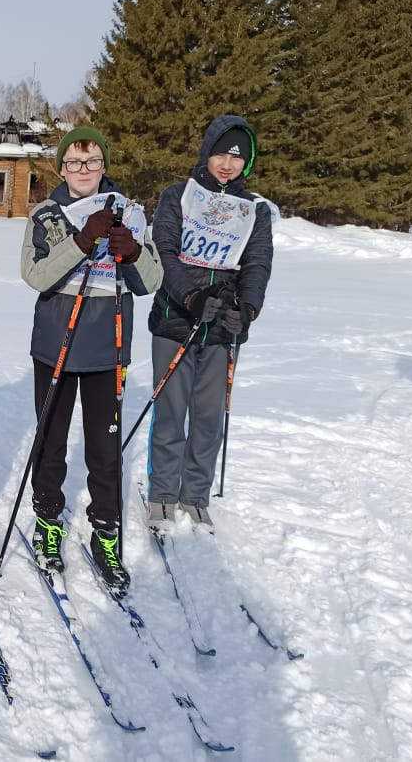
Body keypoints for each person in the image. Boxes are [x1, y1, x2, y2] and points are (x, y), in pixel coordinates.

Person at [21, 127, 163, 594]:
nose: (84, 170)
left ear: (104, 166)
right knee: (52, 440)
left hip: (109, 346)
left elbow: (151, 280)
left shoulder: (131, 212)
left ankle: (105, 530)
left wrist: (133, 253)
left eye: (93, 161)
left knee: (105, 449)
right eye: (75, 162)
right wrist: (82, 242)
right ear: (62, 167)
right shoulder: (46, 214)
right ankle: (48, 521)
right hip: (57, 344)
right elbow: (35, 274)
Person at [146, 115, 273, 528]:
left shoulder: (254, 209)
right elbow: (164, 251)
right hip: (176, 319)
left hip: (221, 326)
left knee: (207, 416)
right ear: (207, 152)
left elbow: (257, 264)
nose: (227, 164)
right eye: (221, 153)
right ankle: (163, 492)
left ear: (247, 163)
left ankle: (195, 493)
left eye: (237, 158)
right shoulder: (178, 195)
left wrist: (248, 309)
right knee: (171, 410)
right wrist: (191, 295)